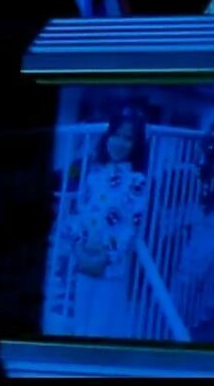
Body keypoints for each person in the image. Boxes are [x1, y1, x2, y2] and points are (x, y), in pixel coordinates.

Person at [70, 105, 150, 339]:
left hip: (109, 268)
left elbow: (130, 228)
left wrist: (104, 259)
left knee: (100, 329)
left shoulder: (137, 181)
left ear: (136, 145)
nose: (120, 142)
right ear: (108, 136)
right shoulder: (94, 175)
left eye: (128, 138)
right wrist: (79, 251)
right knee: (80, 325)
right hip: (84, 260)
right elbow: (80, 215)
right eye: (116, 135)